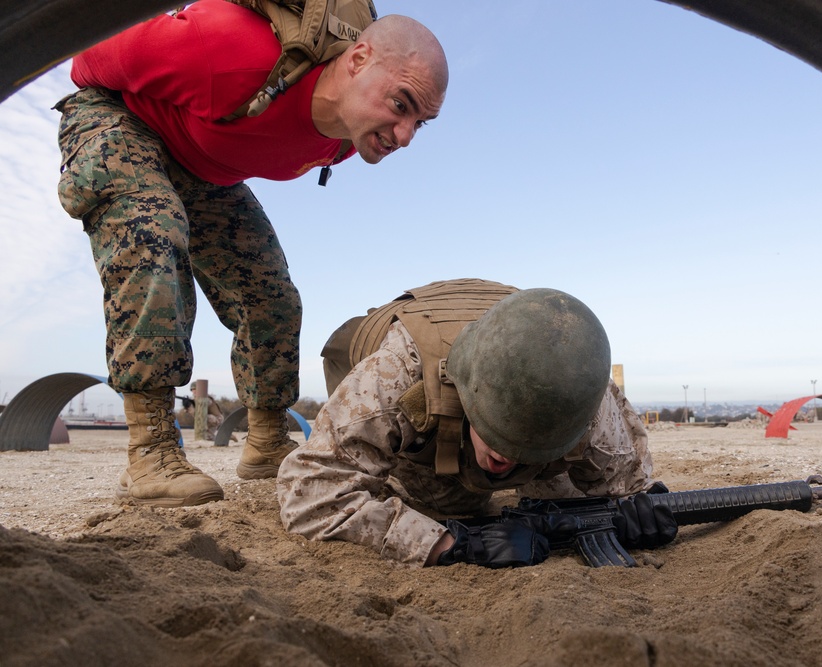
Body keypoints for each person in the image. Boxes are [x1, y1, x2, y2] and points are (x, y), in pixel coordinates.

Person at [53, 0, 449, 508]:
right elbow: (90, 57)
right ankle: (150, 451)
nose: (405, 137)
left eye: (422, 122)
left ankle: (266, 442)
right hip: (119, 118)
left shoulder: (348, 138)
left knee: (272, 294)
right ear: (357, 59)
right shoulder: (229, 53)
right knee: (153, 233)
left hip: (202, 166)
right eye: (401, 105)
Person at [276, 279, 678, 568]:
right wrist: (453, 543)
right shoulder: (395, 376)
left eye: (525, 447)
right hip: (409, 391)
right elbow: (308, 493)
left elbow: (626, 483)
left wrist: (638, 509)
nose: (506, 457)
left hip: (514, 354)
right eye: (498, 434)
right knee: (451, 506)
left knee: (571, 501)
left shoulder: (583, 392)